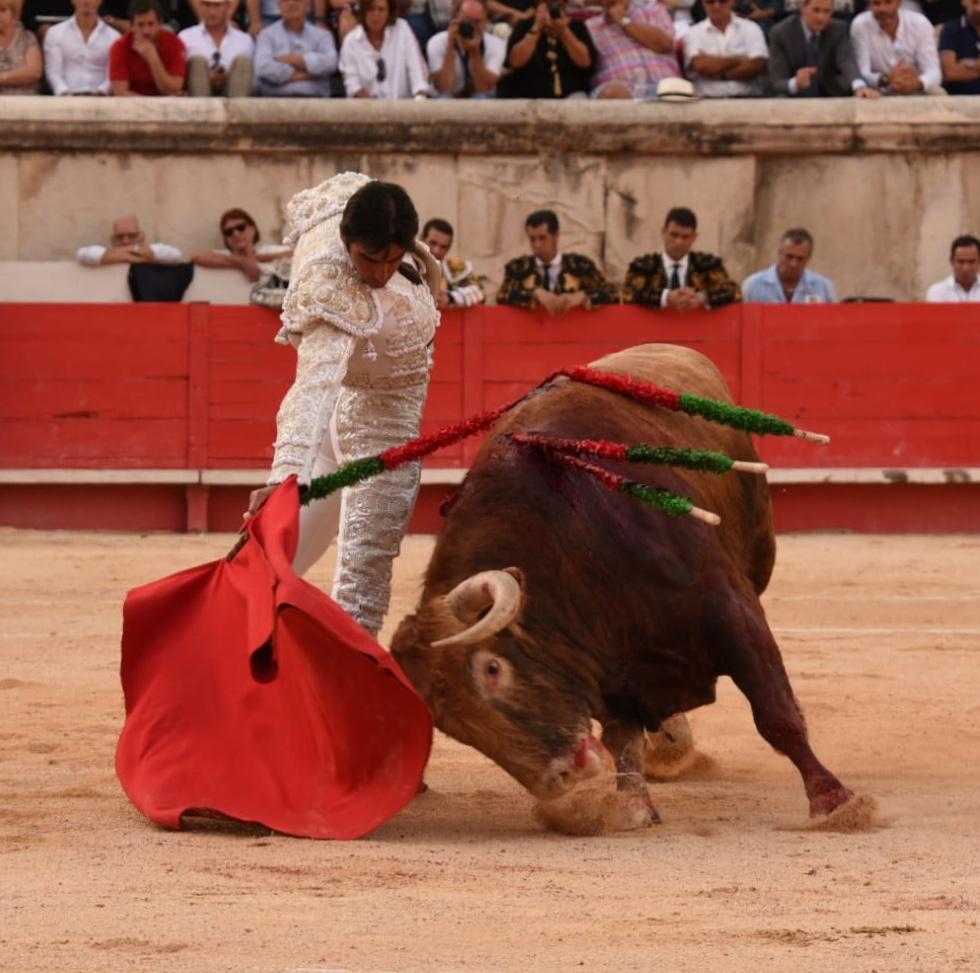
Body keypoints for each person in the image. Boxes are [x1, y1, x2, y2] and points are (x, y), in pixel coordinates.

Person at [244, 173, 441, 637]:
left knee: (293, 568)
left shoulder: (351, 208)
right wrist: (284, 477)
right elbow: (313, 385)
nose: (378, 272)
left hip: (370, 424)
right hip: (373, 432)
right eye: (368, 258)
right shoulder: (336, 289)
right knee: (358, 590)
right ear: (346, 241)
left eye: (392, 260)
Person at [497, 209, 618, 313]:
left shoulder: (581, 266)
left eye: (542, 238)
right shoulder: (517, 268)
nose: (537, 245)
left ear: (556, 236)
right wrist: (534, 294)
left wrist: (582, 295)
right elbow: (502, 295)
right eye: (532, 239)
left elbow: (612, 293)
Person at [622, 206, 741, 310]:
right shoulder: (643, 266)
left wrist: (701, 297)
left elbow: (734, 292)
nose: (678, 242)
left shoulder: (708, 265)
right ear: (663, 232)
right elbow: (627, 293)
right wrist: (666, 297)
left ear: (694, 237)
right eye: (674, 235)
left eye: (685, 237)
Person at [768, 0, 880, 97]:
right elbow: (777, 81)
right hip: (794, 97)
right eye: (816, 10)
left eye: (827, 11)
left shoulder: (838, 29)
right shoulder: (780, 33)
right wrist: (796, 83)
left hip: (830, 92)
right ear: (803, 8)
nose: (821, 17)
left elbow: (846, 61)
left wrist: (859, 86)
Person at [497, 0, 597, 98]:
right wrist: (537, 28)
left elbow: (585, 62)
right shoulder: (524, 25)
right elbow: (515, 62)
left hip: (571, 94)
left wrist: (564, 31)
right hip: (529, 94)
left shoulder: (576, 26)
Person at [585, 0, 680, 99]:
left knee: (674, 91)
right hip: (619, 89)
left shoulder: (653, 10)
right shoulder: (590, 27)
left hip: (663, 86)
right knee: (614, 92)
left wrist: (623, 20)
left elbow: (665, 45)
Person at [339, 0, 430, 98]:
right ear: (363, 12)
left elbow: (417, 73)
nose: (375, 14)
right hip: (365, 110)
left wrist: (420, 100)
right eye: (371, 9)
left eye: (381, 10)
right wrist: (376, 109)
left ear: (389, 13)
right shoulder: (350, 42)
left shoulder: (403, 30)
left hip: (404, 109)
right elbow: (352, 85)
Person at [850, 0, 943, 94]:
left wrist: (916, 84)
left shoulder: (920, 23)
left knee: (938, 93)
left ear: (899, 3)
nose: (883, 9)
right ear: (870, 4)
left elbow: (934, 72)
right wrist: (886, 78)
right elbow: (861, 73)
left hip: (916, 89)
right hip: (877, 92)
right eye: (877, 3)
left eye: (888, 2)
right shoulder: (860, 25)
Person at [683, 0, 769, 98]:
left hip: (748, 99)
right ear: (703, 3)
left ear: (732, 2)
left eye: (722, 1)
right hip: (707, 101)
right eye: (710, 2)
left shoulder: (751, 28)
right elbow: (701, 65)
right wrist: (738, 59)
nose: (716, 6)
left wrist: (720, 73)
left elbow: (758, 65)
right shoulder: (693, 33)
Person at [254, 0, 337, 95]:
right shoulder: (266, 35)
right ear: (279, 5)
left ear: (308, 5)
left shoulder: (322, 35)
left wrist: (295, 60)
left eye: (298, 0)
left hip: (315, 102)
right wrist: (308, 74)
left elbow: (331, 63)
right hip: (276, 101)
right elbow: (263, 67)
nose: (291, 3)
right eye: (285, 0)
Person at [427, 0, 506, 98]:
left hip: (479, 97)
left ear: (486, 21)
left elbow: (485, 88)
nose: (473, 27)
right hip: (448, 96)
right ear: (455, 18)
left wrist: (475, 52)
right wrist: (450, 45)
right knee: (444, 98)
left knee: (481, 97)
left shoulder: (495, 44)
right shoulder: (437, 42)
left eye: (478, 22)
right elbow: (445, 87)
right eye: (468, 21)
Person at [191, 208, 291, 281]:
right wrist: (242, 262)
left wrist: (255, 258)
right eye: (229, 232)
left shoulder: (268, 250)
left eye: (241, 227)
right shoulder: (224, 256)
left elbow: (295, 254)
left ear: (252, 230)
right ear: (226, 239)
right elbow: (196, 256)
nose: (236, 234)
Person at [109, 0, 187, 94]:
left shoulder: (175, 44)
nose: (146, 31)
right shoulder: (120, 47)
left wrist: (153, 60)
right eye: (140, 25)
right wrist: (153, 106)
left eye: (151, 24)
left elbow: (173, 89)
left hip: (168, 105)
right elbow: (120, 92)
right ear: (132, 26)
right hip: (132, 106)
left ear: (160, 23)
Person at [43, 0, 120, 95]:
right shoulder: (55, 32)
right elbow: (53, 72)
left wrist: (101, 93)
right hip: (65, 98)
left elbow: (112, 74)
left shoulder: (114, 36)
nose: (86, 1)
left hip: (101, 99)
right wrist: (64, 93)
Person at [742, 228, 838, 303]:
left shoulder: (824, 288)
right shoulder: (753, 286)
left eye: (800, 259)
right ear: (779, 253)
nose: (793, 264)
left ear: (808, 258)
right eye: (789, 257)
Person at [179, 0, 254, 96]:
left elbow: (254, 82)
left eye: (217, 6)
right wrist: (207, 76)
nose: (212, 12)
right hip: (197, 91)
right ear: (201, 6)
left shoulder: (245, 40)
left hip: (234, 89)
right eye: (207, 5)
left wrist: (229, 75)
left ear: (227, 7)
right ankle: (203, 109)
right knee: (197, 62)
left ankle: (237, 110)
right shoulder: (185, 37)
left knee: (243, 62)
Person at [421, 217, 488, 306]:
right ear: (421, 238)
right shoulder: (406, 263)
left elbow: (480, 292)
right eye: (432, 243)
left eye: (443, 247)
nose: (437, 251)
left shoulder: (452, 268)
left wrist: (450, 297)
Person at [76, 214, 184, 266]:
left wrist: (133, 250)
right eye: (120, 237)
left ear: (142, 237)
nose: (125, 241)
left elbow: (176, 255)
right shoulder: (106, 252)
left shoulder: (155, 249)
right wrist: (133, 257)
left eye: (132, 236)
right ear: (112, 240)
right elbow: (82, 254)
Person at [0, 0, 43, 94]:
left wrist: (2, 77)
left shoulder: (28, 37)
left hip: (27, 100)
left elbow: (34, 72)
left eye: (3, 10)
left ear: (12, 13)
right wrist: (17, 77)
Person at [939, 0, 980, 95]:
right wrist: (976, 64)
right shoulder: (950, 30)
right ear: (964, 1)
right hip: (960, 100)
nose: (978, 9)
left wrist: (968, 63)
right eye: (974, 2)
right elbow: (949, 73)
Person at [925, 234, 980, 301]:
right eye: (961, 262)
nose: (966, 268)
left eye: (971, 262)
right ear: (951, 260)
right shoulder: (937, 292)